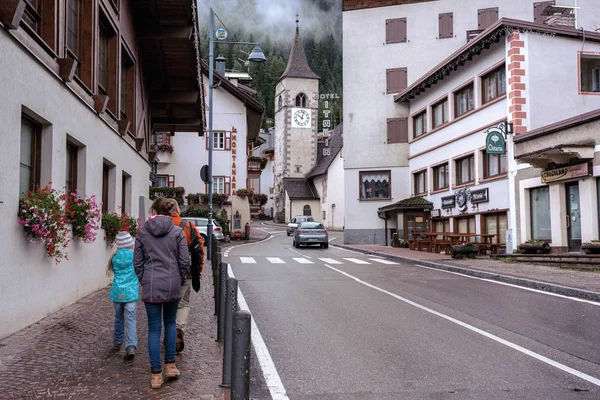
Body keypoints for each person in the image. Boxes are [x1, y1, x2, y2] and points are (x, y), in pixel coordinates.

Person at [134, 198, 190, 389]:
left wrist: (145, 279)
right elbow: (184, 261)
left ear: (154, 210)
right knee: (170, 323)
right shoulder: (177, 232)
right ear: (170, 212)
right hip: (172, 282)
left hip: (151, 284)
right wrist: (179, 279)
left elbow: (137, 263)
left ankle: (156, 375)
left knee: (154, 329)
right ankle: (170, 366)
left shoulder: (143, 231)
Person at [166, 199, 205, 353]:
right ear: (177, 210)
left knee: (167, 304)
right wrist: (198, 272)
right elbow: (199, 249)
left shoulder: (161, 226)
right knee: (183, 303)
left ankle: (168, 333)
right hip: (186, 272)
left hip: (165, 271)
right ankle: (178, 329)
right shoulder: (189, 226)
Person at [107, 231, 138, 361]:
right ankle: (130, 346)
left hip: (117, 292)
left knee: (118, 317)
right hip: (130, 293)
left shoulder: (114, 258)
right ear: (130, 244)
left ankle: (117, 341)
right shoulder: (134, 257)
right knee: (130, 319)